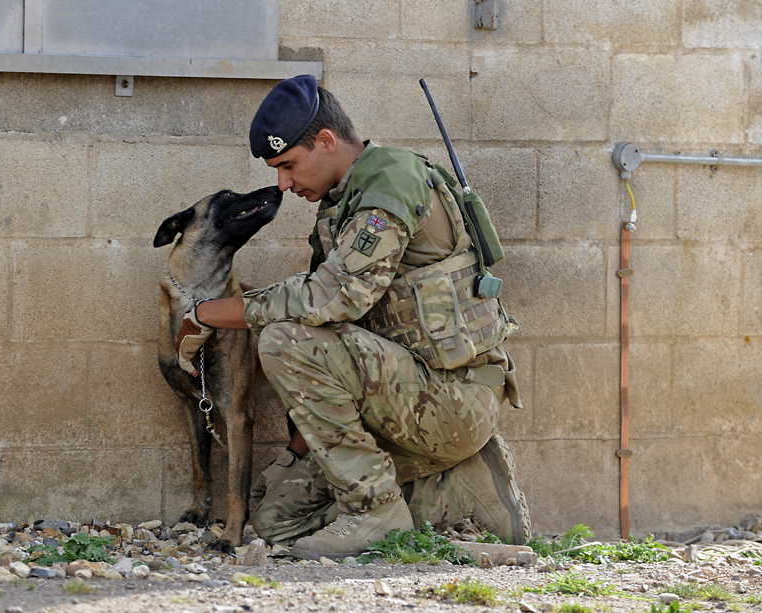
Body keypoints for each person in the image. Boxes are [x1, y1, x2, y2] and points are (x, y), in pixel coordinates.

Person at [176, 74, 529, 560]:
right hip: (395, 409)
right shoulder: (338, 208)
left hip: (453, 400)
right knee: (276, 521)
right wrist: (297, 452)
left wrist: (210, 315)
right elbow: (327, 337)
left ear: (325, 141)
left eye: (288, 165)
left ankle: (378, 512)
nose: (283, 183)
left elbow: (333, 298)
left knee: (281, 339)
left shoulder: (392, 178)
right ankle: (450, 487)